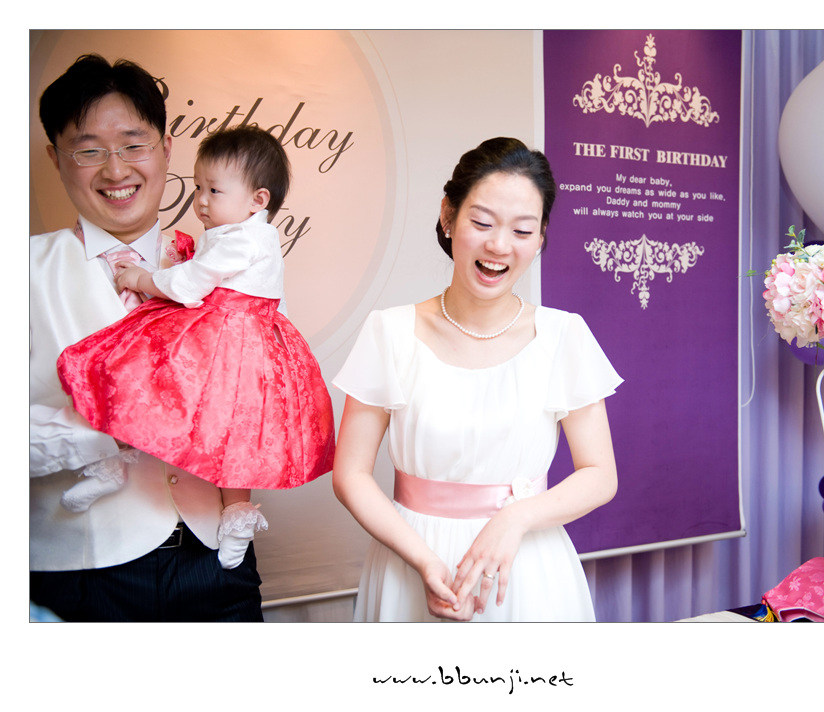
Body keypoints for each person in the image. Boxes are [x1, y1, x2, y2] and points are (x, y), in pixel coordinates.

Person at [331, 137, 622, 621]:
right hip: (410, 561)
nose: (499, 246)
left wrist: (516, 517)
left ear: (540, 237)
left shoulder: (563, 335)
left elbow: (599, 475)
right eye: (482, 223)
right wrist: (423, 561)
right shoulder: (390, 331)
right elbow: (350, 475)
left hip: (527, 568)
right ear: (448, 216)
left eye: (522, 230)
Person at [32, 54, 253, 620]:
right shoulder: (23, 270)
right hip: (84, 573)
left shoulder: (219, 262)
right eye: (88, 150)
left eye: (133, 145)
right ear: (55, 158)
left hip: (218, 561)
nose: (116, 169)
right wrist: (113, 429)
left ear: (166, 149)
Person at [56, 125, 336, 568]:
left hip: (232, 346)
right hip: (235, 343)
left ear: (257, 200)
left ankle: (224, 515)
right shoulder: (239, 234)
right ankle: (127, 471)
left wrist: (142, 278)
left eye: (214, 190)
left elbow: (190, 283)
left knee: (167, 394)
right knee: (206, 421)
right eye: (198, 187)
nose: (201, 201)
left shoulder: (244, 239)